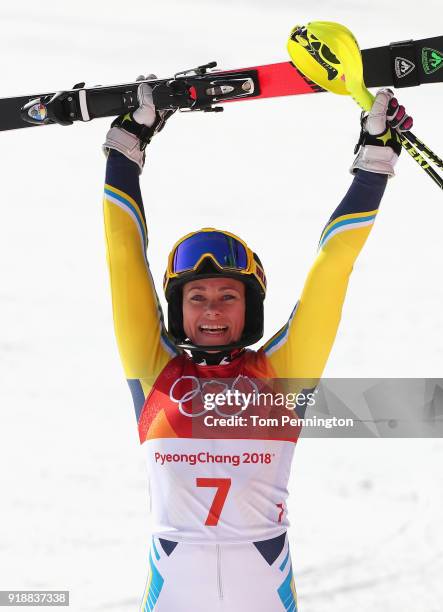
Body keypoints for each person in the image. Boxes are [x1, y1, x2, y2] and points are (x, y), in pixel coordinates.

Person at [102, 80, 412, 611]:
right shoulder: (154, 372)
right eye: (197, 297)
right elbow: (123, 256)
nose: (213, 310)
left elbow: (331, 271)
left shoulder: (281, 374)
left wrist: (374, 163)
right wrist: (127, 147)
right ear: (178, 310)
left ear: (251, 309)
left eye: (228, 295)